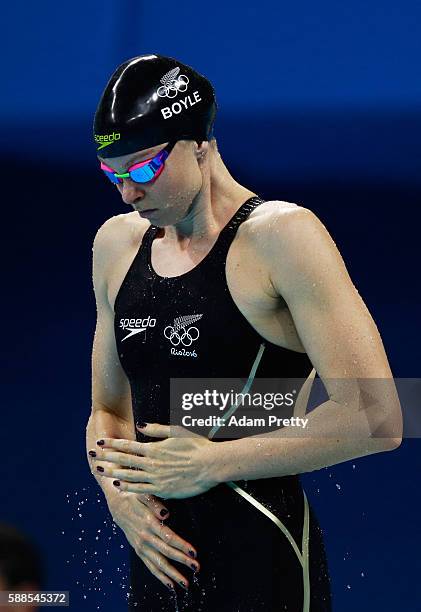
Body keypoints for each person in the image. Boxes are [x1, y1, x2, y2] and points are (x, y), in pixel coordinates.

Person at [86, 54, 402, 611]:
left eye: (143, 169)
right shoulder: (117, 246)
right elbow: (108, 411)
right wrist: (120, 497)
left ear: (198, 143)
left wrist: (213, 462)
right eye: (112, 173)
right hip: (157, 559)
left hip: (263, 553)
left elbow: (378, 415)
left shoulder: (282, 237)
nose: (128, 193)